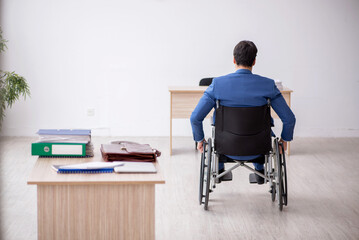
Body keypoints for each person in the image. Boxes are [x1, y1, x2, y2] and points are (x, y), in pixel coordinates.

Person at [190, 40, 296, 184]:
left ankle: (220, 170)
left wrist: (200, 140)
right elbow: (289, 119)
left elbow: (195, 118)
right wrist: (284, 141)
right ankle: (260, 169)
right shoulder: (268, 85)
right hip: (259, 147)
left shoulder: (217, 84)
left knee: (218, 124)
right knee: (261, 125)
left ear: (234, 60)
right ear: (254, 61)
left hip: (225, 146)